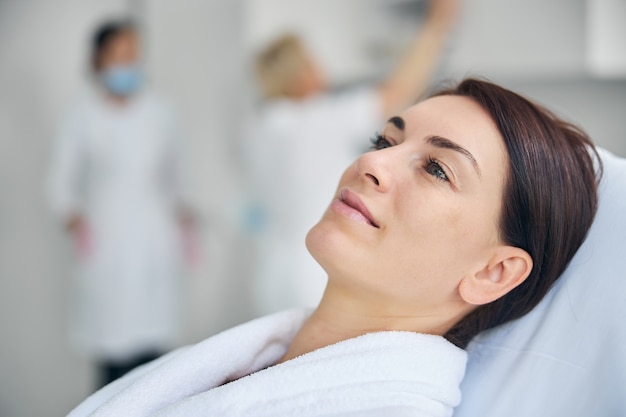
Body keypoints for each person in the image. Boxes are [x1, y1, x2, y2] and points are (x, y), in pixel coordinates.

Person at [67, 78, 600, 417]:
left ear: (494, 272)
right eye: (386, 142)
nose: (372, 164)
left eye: (437, 168)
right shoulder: (240, 363)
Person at [246, 0, 461, 314]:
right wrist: (438, 24)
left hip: (272, 272)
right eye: (310, 62)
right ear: (298, 74)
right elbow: (398, 91)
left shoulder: (262, 126)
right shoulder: (315, 119)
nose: (318, 69)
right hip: (314, 271)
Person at [47, 19, 194, 388]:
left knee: (156, 364)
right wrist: (76, 223)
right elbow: (59, 184)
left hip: (154, 241)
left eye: (133, 54)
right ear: (98, 60)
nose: (128, 63)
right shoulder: (79, 116)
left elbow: (178, 180)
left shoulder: (162, 112)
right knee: (113, 364)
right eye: (119, 54)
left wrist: (185, 222)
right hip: (106, 243)